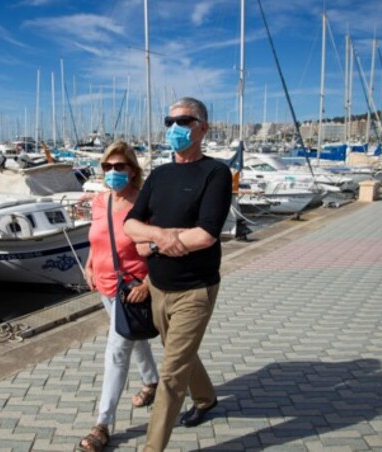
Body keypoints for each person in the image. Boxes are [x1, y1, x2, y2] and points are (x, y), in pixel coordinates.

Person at [124, 97, 232, 451]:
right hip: (157, 286)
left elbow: (206, 234)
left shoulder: (215, 173)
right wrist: (160, 236)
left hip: (195, 290)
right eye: (168, 121)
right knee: (178, 351)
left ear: (203, 127)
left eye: (183, 121)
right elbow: (131, 224)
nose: (174, 128)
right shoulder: (160, 174)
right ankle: (206, 400)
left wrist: (151, 243)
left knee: (171, 374)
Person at [78, 141, 160, 452]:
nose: (112, 172)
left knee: (116, 351)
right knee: (134, 336)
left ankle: (103, 424)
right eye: (107, 167)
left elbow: (158, 246)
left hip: (132, 290)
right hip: (104, 286)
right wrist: (89, 264)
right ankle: (152, 381)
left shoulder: (144, 204)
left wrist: (149, 283)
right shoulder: (100, 202)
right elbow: (97, 238)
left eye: (119, 166)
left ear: (133, 170)